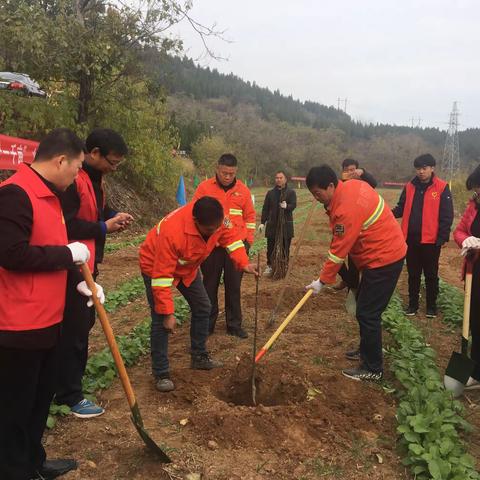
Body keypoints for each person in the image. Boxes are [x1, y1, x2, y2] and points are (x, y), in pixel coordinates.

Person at [0, 129, 104, 480]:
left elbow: (50, 251)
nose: (77, 176)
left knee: (40, 400)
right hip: (17, 325)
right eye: (76, 168)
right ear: (60, 160)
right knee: (14, 406)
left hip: (48, 321)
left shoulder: (51, 197)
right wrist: (67, 253)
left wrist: (80, 283)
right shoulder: (15, 194)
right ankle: (15, 471)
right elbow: (10, 254)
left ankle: (34, 461)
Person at [139, 196, 258, 392]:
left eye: (217, 227)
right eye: (210, 230)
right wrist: (168, 313)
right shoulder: (173, 232)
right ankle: (161, 372)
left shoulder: (219, 220)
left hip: (187, 266)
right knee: (161, 320)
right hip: (155, 266)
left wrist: (243, 263)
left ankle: (199, 356)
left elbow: (232, 240)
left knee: (203, 306)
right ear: (196, 222)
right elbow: (161, 278)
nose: (215, 232)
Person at [55, 128, 133, 418]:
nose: (113, 169)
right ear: (94, 153)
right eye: (111, 162)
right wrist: (103, 227)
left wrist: (112, 216)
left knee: (81, 325)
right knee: (75, 329)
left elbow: (97, 210)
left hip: (88, 263)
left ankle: (61, 382)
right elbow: (67, 225)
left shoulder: (95, 180)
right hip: (73, 266)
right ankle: (70, 395)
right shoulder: (74, 180)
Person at [305, 165, 406, 381]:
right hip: (376, 256)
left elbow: (339, 251)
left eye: (318, 193)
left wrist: (322, 281)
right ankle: (366, 349)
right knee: (364, 306)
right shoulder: (351, 186)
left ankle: (373, 368)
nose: (316, 198)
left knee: (368, 313)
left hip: (384, 258)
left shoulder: (346, 208)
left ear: (331, 186)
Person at [192, 154, 256, 338]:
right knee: (209, 285)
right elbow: (194, 212)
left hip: (237, 245)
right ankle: (208, 325)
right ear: (217, 169)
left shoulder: (243, 190)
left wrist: (248, 241)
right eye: (224, 173)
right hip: (212, 246)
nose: (227, 176)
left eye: (231, 173)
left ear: (236, 172)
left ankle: (234, 325)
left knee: (233, 286)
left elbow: (250, 217)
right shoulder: (204, 188)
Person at [392, 154, 453, 317]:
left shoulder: (441, 187)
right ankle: (413, 305)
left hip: (431, 241)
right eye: (418, 169)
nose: (421, 172)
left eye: (424, 168)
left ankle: (431, 307)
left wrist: (443, 237)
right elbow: (401, 207)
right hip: (411, 240)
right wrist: (386, 214)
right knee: (413, 274)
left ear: (432, 168)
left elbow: (447, 215)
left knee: (431, 275)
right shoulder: (409, 187)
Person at [453, 165, 480, 390]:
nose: (477, 193)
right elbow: (460, 229)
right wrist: (465, 240)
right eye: (476, 190)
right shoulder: (474, 205)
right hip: (475, 272)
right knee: (474, 321)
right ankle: (475, 369)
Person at [335, 158, 378, 291]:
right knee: (337, 256)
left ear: (357, 170)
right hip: (344, 224)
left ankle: (353, 290)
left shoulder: (363, 182)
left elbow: (374, 183)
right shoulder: (340, 184)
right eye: (347, 170)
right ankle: (348, 280)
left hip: (361, 225)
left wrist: (363, 173)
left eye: (352, 170)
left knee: (354, 260)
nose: (350, 172)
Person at [258, 170, 297, 277]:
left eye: (281, 178)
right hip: (272, 224)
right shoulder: (270, 193)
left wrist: (287, 206)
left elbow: (294, 205)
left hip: (285, 225)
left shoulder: (290, 192)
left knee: (285, 247)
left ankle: (283, 266)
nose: (278, 180)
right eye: (277, 178)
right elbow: (265, 208)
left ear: (285, 179)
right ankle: (270, 266)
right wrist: (262, 222)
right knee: (271, 247)